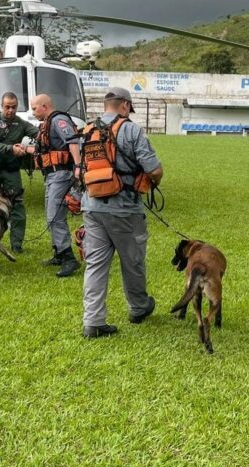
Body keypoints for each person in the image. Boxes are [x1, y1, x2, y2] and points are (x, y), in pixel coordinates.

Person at [80, 87, 162, 339]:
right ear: (125, 105)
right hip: (124, 209)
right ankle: (138, 307)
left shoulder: (87, 130)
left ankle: (93, 321)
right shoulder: (131, 129)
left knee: (95, 263)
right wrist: (149, 183)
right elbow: (154, 169)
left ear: (107, 105)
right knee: (132, 261)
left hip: (92, 205)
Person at [0, 92, 38, 253]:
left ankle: (17, 243)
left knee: (17, 206)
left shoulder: (21, 124)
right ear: (1, 106)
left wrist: (42, 137)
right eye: (7, 107)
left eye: (13, 107)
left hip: (11, 171)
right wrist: (11, 148)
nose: (10, 110)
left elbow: (38, 134)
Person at [30, 93, 81, 277]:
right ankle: (59, 253)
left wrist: (77, 166)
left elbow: (73, 141)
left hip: (61, 174)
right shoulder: (47, 123)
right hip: (51, 176)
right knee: (51, 214)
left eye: (35, 108)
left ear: (45, 106)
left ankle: (69, 259)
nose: (33, 112)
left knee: (55, 216)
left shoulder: (58, 120)